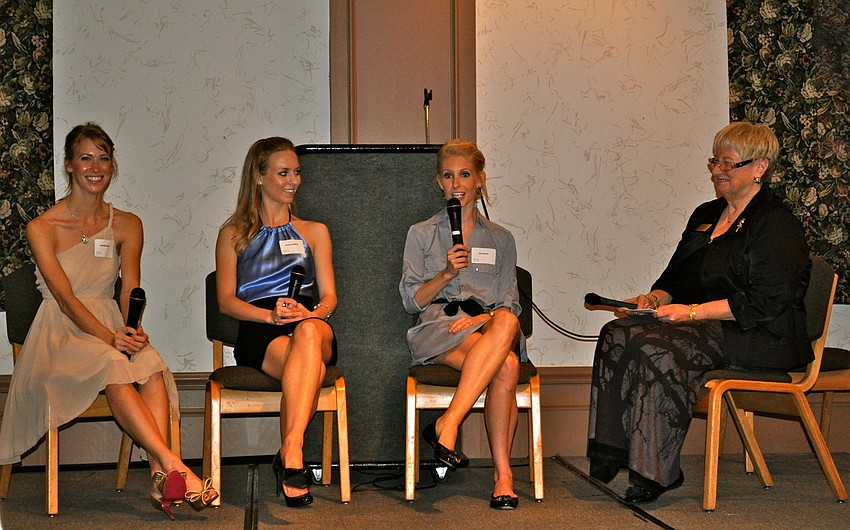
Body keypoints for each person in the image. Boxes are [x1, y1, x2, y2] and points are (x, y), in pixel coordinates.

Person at [587, 121, 812, 504]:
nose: (717, 171)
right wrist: (654, 300)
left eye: (728, 163)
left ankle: (656, 473)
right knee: (617, 332)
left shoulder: (775, 223)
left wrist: (691, 313)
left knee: (661, 348)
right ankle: (613, 449)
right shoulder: (706, 214)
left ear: (759, 167)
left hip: (764, 335)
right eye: (714, 162)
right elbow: (676, 277)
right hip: (709, 327)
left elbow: (765, 302)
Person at [0, 123, 217, 520]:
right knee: (115, 364)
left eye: (104, 158)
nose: (96, 166)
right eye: (86, 158)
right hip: (59, 334)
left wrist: (131, 330)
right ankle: (177, 466)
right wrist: (110, 340)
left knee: (150, 366)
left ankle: (158, 477)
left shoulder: (128, 224)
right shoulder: (41, 228)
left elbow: (128, 290)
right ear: (69, 165)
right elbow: (65, 300)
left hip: (110, 323)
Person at [400, 139, 525, 510]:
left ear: (480, 180)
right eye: (449, 175)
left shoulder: (501, 239)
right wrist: (445, 273)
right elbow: (410, 300)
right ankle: (502, 475)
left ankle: (450, 424)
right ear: (439, 182)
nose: (457, 184)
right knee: (508, 363)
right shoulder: (421, 233)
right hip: (438, 329)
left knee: (507, 336)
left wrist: (483, 318)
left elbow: (510, 302)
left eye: (465, 175)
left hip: (486, 330)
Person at [215, 137, 337, 508]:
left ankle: (291, 449)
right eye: (283, 172)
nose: (293, 180)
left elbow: (330, 297)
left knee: (309, 333)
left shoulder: (314, 231)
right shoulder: (233, 234)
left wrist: (311, 313)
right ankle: (292, 454)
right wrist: (268, 315)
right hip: (260, 327)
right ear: (258, 176)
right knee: (308, 366)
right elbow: (225, 302)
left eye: (297, 172)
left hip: (311, 320)